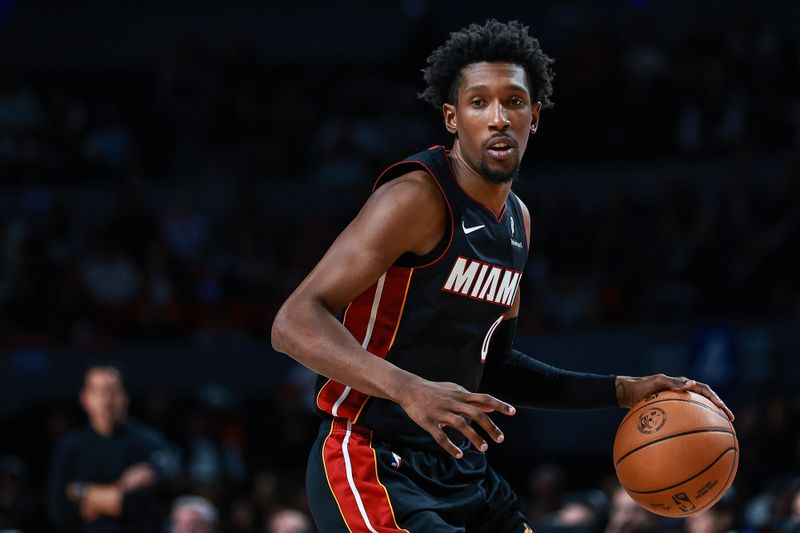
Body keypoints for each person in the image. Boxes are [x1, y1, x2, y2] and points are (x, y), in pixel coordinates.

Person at [271, 19, 734, 532]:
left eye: (513, 102)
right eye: (479, 102)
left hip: (463, 472)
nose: (498, 118)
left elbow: (495, 366)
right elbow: (293, 322)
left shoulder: (518, 221)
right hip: (371, 460)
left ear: (534, 117)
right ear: (451, 117)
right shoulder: (416, 198)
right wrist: (409, 389)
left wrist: (623, 390)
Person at [46, 364, 174, 532]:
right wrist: (118, 494)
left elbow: (148, 503)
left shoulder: (149, 441)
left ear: (125, 396)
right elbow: (58, 509)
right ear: (85, 399)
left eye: (112, 390)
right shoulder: (70, 446)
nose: (106, 400)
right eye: (98, 391)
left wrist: (83, 493)